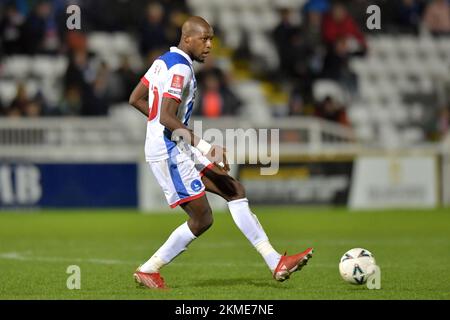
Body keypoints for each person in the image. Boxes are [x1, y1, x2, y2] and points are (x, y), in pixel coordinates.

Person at [128, 16, 313, 289]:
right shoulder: (180, 69)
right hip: (169, 152)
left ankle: (275, 261)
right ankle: (149, 269)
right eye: (204, 39)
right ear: (187, 38)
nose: (210, 45)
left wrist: (161, 124)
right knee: (203, 219)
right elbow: (167, 117)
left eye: (212, 38)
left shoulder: (162, 62)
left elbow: (136, 99)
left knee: (234, 189)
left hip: (176, 146)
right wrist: (205, 146)